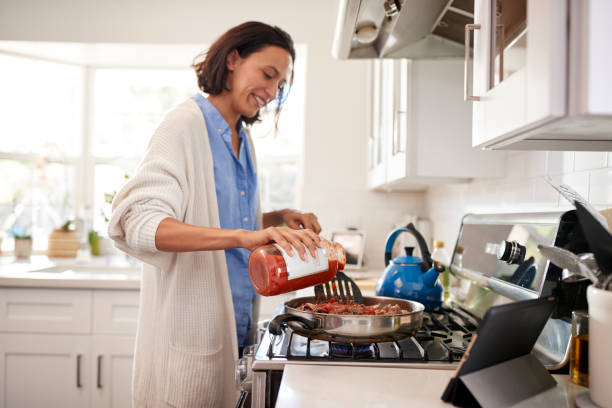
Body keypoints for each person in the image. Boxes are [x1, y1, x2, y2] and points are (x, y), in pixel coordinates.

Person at [108, 21, 322, 408]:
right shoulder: (184, 125)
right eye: (267, 75)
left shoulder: (241, 135)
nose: (272, 93)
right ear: (233, 59)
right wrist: (245, 237)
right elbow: (140, 224)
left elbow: (223, 215)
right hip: (191, 342)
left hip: (236, 333)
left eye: (280, 85)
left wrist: (278, 217)